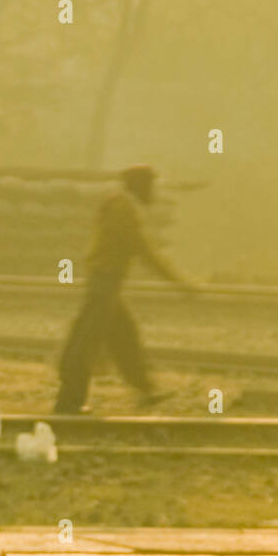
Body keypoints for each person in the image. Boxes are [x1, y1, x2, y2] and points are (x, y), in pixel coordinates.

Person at [54, 164, 196, 414]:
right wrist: (179, 282)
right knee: (85, 343)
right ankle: (68, 403)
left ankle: (144, 389)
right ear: (140, 185)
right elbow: (143, 249)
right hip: (105, 283)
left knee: (123, 336)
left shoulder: (119, 203)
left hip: (107, 283)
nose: (153, 192)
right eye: (150, 186)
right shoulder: (124, 208)